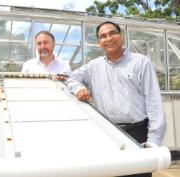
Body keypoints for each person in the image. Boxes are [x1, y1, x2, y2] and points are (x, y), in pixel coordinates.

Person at [66, 21, 166, 177]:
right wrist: (79, 88)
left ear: (121, 36)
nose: (109, 38)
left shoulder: (140, 62)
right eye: (103, 36)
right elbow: (71, 78)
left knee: (138, 175)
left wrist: (153, 140)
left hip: (137, 134)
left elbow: (153, 102)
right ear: (99, 42)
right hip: (108, 135)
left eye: (112, 33)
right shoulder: (93, 66)